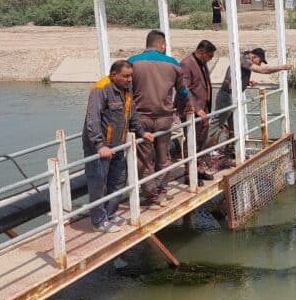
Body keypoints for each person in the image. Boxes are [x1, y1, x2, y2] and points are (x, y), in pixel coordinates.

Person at [82, 60, 153, 233]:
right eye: (125, 76)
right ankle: (98, 221)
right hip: (101, 147)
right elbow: (93, 119)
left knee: (118, 180)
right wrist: (100, 145)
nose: (129, 80)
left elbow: (131, 114)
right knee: (98, 183)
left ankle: (110, 213)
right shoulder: (101, 89)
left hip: (119, 144)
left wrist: (142, 132)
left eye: (131, 76)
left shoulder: (126, 89)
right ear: (114, 75)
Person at [128, 30, 189, 206]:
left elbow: (126, 91)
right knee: (163, 156)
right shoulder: (173, 64)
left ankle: (150, 194)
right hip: (164, 118)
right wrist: (189, 105)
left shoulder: (132, 62)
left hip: (140, 118)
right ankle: (162, 189)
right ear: (162, 45)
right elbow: (183, 91)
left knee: (144, 158)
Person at [209, 48, 292, 148]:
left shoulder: (244, 61)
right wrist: (283, 67)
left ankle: (233, 149)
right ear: (254, 56)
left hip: (231, 96)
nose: (260, 64)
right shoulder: (244, 60)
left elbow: (234, 77)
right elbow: (263, 70)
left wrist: (246, 82)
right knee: (216, 123)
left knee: (234, 125)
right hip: (227, 96)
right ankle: (200, 149)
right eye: (260, 61)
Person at [175, 40, 218, 186]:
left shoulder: (201, 62)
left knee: (201, 140)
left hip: (203, 107)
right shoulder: (186, 64)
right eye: (210, 56)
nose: (210, 59)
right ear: (202, 52)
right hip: (191, 110)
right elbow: (183, 88)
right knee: (192, 140)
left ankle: (199, 169)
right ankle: (189, 174)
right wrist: (196, 108)